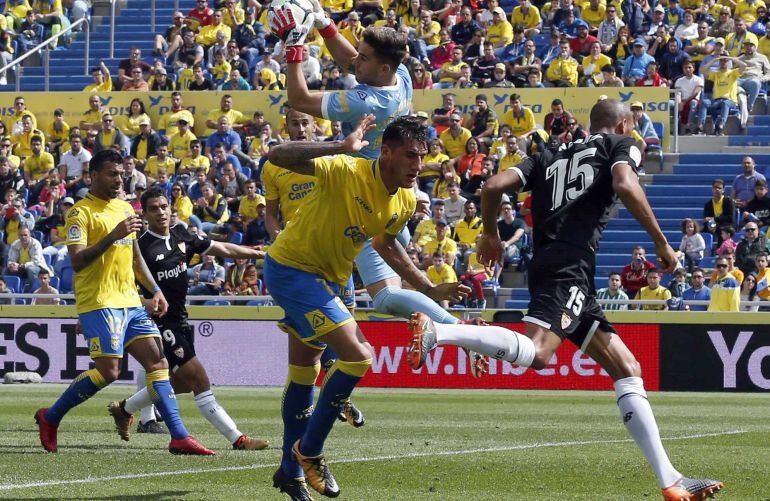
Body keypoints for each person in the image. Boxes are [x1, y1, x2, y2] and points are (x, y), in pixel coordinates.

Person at [407, 99, 723, 500]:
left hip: (557, 266)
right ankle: (440, 331)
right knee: (539, 354)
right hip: (570, 266)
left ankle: (671, 479)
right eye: (634, 124)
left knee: (626, 366)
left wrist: (490, 234)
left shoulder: (546, 155)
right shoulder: (621, 145)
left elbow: (491, 186)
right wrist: (662, 243)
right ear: (624, 123)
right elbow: (625, 184)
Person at [263, 116, 467, 499]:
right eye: (409, 156)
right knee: (359, 356)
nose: (417, 166)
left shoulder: (406, 198)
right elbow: (277, 155)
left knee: (304, 370)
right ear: (385, 152)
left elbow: (387, 245)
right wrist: (340, 145)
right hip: (293, 270)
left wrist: (428, 287)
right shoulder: (346, 168)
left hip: (332, 279)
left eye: (422, 157)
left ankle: (289, 472)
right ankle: (310, 451)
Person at [34, 150, 213, 456]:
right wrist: (111, 236)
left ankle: (179, 436)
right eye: (112, 174)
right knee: (109, 372)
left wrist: (155, 289)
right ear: (93, 176)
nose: (120, 179)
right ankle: (49, 418)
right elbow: (77, 261)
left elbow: (134, 257)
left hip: (130, 300)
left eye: (121, 174)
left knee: (158, 363)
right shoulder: (81, 213)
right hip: (100, 302)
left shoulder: (124, 207)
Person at [108, 187, 269, 451]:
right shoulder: (141, 247)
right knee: (199, 380)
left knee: (178, 382)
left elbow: (222, 248)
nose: (160, 212)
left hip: (180, 320)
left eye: (164, 206)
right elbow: (116, 287)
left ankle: (125, 409)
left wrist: (259, 254)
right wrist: (145, 302)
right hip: (160, 325)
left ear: (172, 208)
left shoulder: (182, 234)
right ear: (145, 214)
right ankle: (238, 439)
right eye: (153, 208)